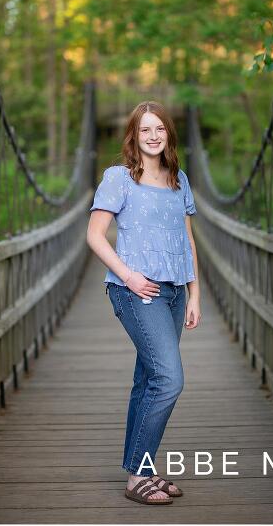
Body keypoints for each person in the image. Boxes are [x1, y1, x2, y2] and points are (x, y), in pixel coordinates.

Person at [86, 101, 202, 505]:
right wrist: (130, 276)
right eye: (145, 130)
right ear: (134, 136)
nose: (153, 136)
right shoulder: (118, 178)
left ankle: (145, 468)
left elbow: (187, 241)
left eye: (160, 129)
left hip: (173, 293)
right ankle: (138, 475)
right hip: (134, 290)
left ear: (168, 134)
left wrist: (194, 294)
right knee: (169, 379)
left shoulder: (178, 179)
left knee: (148, 380)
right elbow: (95, 235)